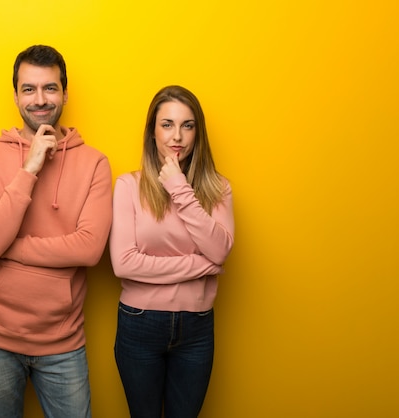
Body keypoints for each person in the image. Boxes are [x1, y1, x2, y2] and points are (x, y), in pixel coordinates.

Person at [0, 45, 113, 418]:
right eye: (29, 89)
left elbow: (90, 249)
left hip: (62, 342)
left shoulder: (94, 163)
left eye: (50, 88)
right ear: (15, 95)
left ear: (65, 92)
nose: (40, 99)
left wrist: (8, 248)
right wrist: (28, 169)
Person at [109, 85, 235, 418]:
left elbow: (219, 252)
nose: (177, 136)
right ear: (152, 131)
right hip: (139, 324)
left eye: (187, 125)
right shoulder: (128, 186)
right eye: (167, 124)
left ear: (198, 132)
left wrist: (180, 188)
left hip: (197, 328)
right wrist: (199, 265)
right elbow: (123, 264)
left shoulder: (218, 188)